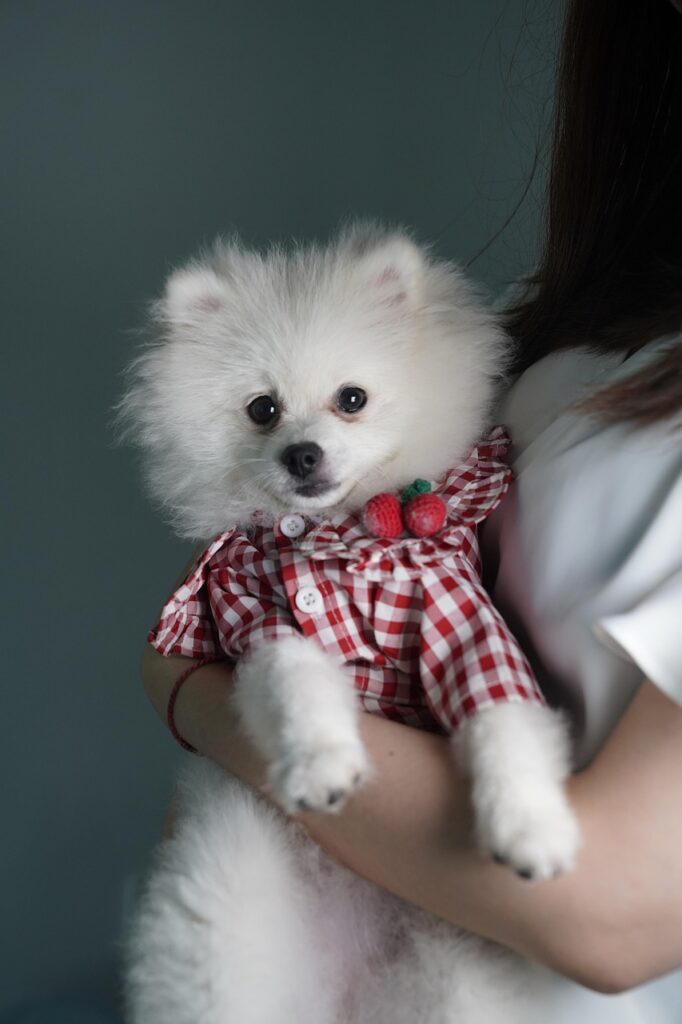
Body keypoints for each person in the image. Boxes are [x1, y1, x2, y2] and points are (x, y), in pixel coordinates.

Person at [139, 0, 682, 1018]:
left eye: (345, 404)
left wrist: (187, 688)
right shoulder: (555, 329)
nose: (308, 436)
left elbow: (615, 912)